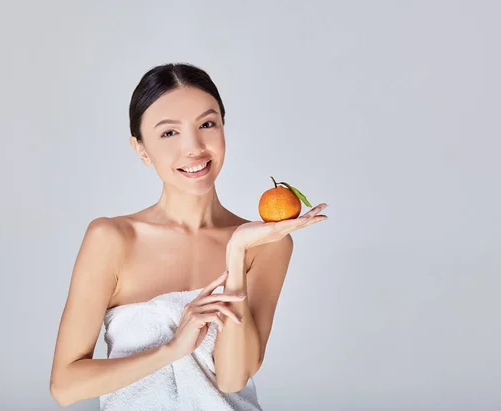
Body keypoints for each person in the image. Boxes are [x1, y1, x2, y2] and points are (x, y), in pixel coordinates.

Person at [49, 62, 328, 410]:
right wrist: (172, 349)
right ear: (141, 149)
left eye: (207, 124)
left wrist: (237, 253)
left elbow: (232, 377)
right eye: (169, 133)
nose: (194, 147)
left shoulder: (267, 243)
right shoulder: (111, 238)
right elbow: (65, 387)